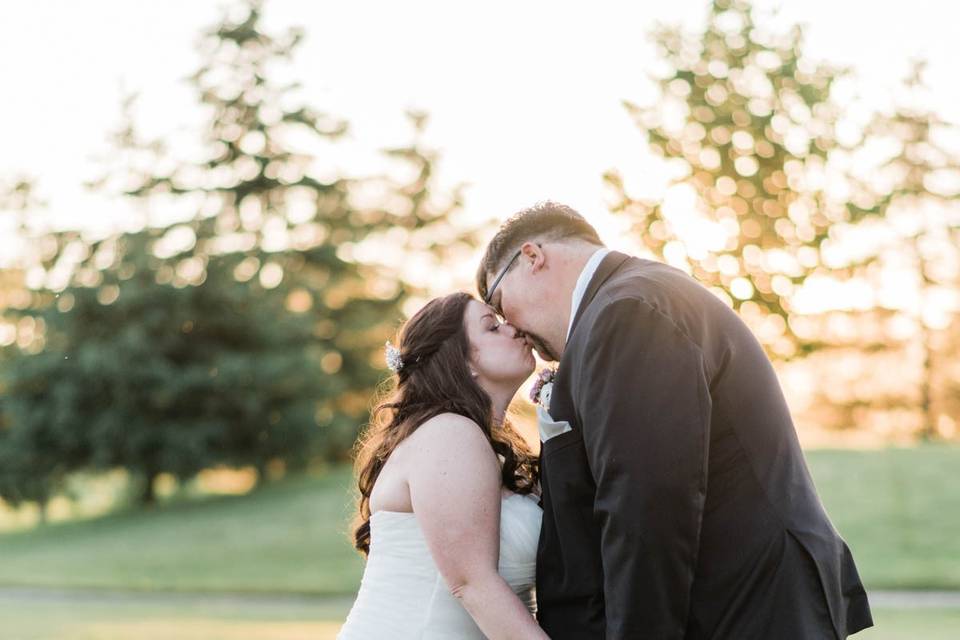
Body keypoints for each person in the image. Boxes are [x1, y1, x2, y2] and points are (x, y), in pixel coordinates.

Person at [476, 201, 873, 639]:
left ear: (532, 257)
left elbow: (646, 505)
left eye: (498, 303)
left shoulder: (626, 312)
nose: (511, 327)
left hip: (744, 607)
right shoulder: (635, 296)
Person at [337, 292, 549, 639]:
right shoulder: (449, 433)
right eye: (492, 327)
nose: (514, 329)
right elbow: (471, 583)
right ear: (462, 361)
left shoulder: (487, 444)